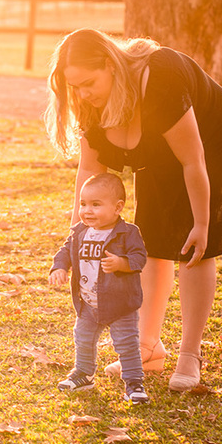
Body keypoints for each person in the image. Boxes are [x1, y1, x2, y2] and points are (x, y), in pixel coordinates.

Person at [46, 29, 222, 393]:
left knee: (192, 246)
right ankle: (148, 347)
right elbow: (90, 171)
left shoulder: (159, 77)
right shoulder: (90, 103)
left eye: (88, 83)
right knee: (153, 239)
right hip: (159, 150)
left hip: (213, 146)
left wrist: (202, 222)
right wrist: (77, 233)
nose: (82, 94)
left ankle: (190, 354)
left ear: (111, 65)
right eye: (74, 86)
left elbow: (193, 160)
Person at [50, 172, 149, 404]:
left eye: (96, 205)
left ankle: (134, 383)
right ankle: (84, 373)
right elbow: (65, 251)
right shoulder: (79, 232)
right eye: (83, 204)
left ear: (117, 208)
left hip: (119, 303)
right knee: (83, 338)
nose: (87, 210)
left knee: (126, 343)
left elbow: (140, 257)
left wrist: (122, 264)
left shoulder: (128, 233)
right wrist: (59, 268)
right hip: (88, 302)